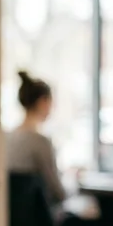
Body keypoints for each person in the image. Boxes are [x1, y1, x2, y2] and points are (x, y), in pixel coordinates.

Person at [6, 71, 67, 214]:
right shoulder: (40, 142)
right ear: (43, 102)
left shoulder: (7, 137)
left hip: (15, 220)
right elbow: (58, 192)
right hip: (40, 221)